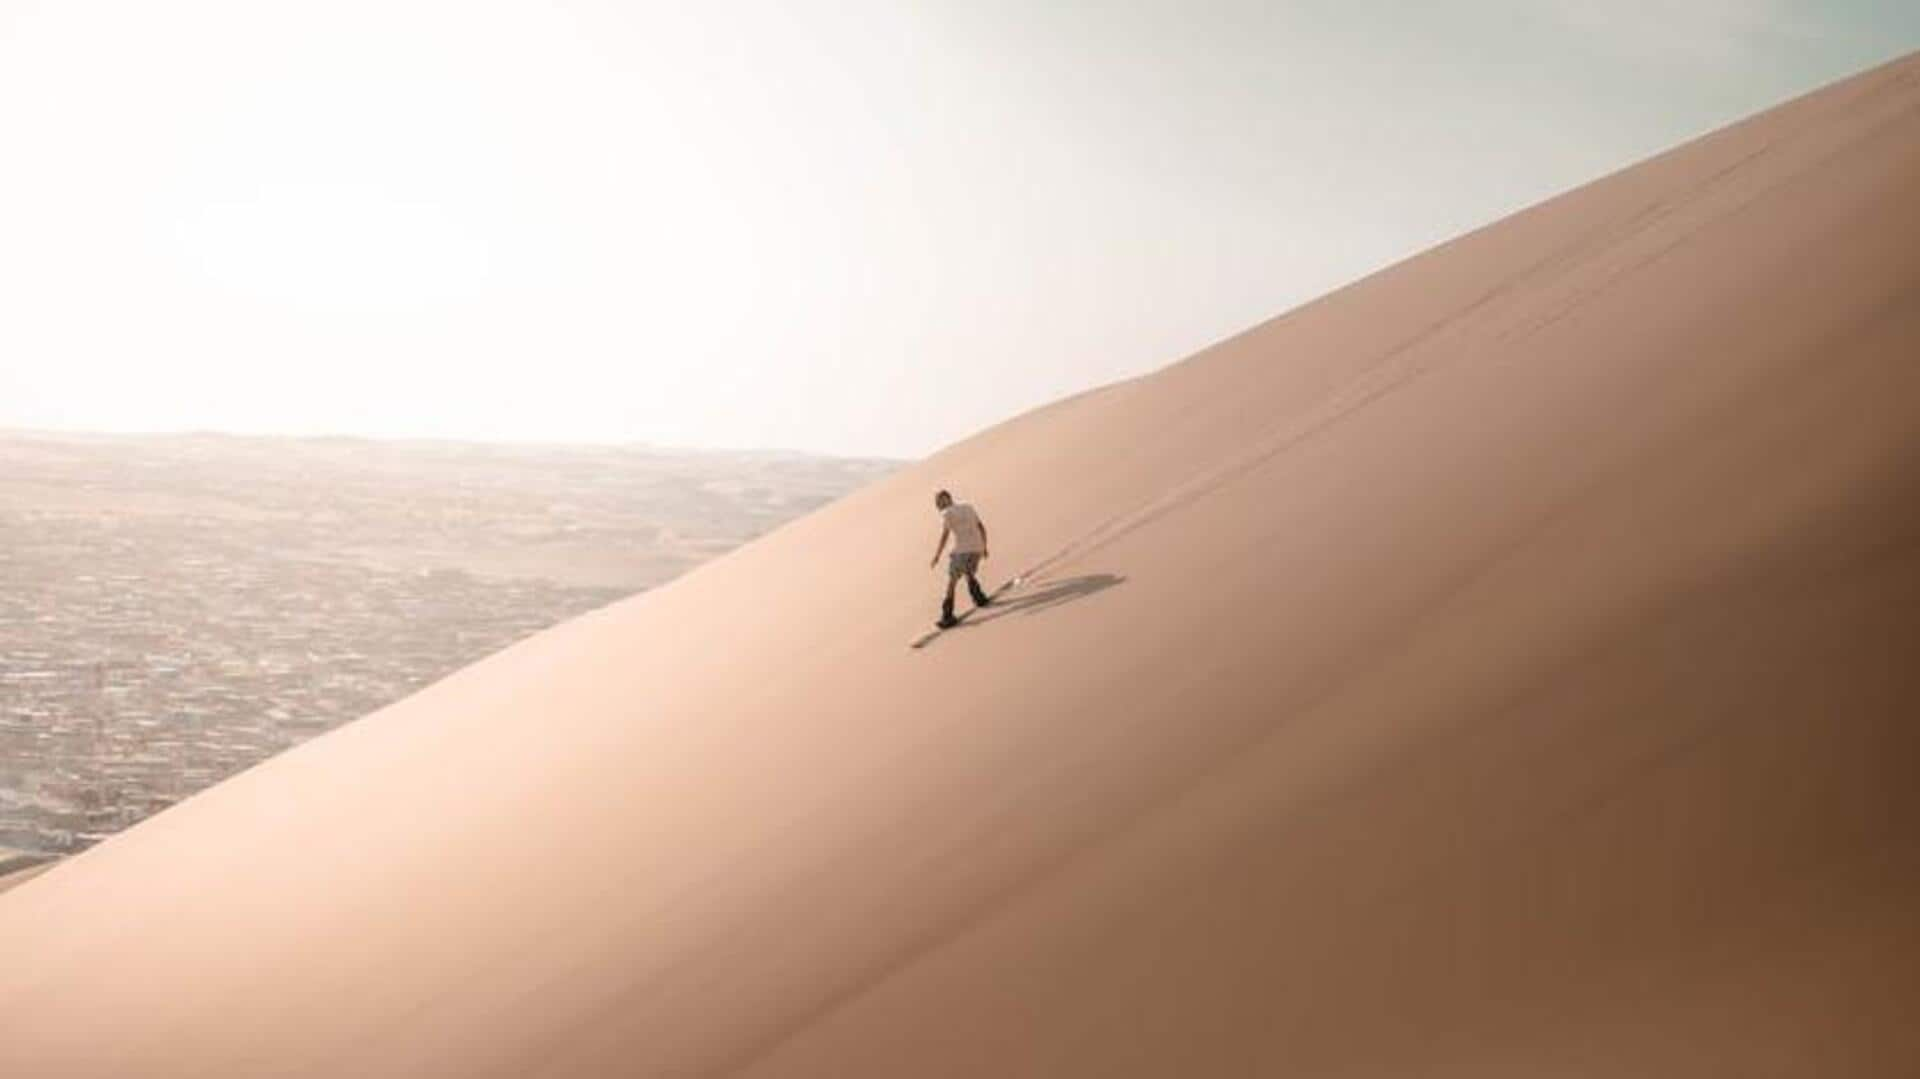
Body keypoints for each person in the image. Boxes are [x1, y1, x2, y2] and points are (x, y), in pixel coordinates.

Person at [929, 489, 992, 627]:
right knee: (967, 571)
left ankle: (947, 615)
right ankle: (979, 597)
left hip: (963, 551)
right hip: (976, 548)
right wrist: (984, 547)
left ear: (945, 501)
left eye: (939, 503)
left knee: (952, 581)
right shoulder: (968, 506)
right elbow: (981, 527)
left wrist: (937, 556)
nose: (939, 506)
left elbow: (945, 536)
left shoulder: (946, 513)